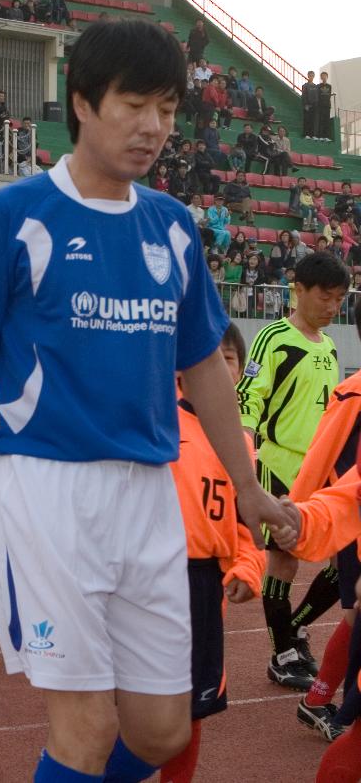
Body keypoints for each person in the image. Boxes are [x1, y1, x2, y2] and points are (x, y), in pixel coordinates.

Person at [0, 20, 296, 783]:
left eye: (169, 109)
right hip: (48, 491)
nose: (154, 127)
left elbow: (206, 368)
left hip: (149, 496)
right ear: (81, 102)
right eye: (134, 104)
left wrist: (247, 487)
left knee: (160, 732)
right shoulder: (15, 216)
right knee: (81, 729)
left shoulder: (173, 226)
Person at [156, 324, 266, 783]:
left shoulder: (241, 444)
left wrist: (247, 567)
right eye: (208, 357)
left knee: (192, 711)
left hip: (203, 585)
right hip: (150, 577)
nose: (220, 367)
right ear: (181, 368)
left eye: (229, 358)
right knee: (134, 705)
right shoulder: (155, 419)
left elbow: (247, 529)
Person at [238, 251, 350, 690]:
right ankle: (282, 654)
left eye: (339, 299)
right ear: (298, 289)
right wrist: (245, 451)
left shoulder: (331, 345)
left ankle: (296, 628)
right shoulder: (274, 337)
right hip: (281, 465)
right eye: (325, 296)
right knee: (283, 560)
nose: (332, 307)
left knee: (346, 561)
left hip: (324, 470)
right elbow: (249, 396)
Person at [316, 71, 334, 141]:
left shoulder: (329, 86)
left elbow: (329, 96)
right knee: (321, 120)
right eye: (322, 76)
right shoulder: (318, 86)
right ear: (321, 77)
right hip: (320, 106)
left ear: (327, 77)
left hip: (327, 106)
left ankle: (326, 137)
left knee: (327, 121)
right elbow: (317, 96)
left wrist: (329, 104)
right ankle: (320, 136)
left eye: (325, 76)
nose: (324, 77)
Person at [302, 71, 319, 142]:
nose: (311, 77)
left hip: (314, 106)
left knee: (313, 121)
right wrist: (305, 105)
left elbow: (317, 97)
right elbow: (304, 96)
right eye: (310, 75)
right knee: (307, 120)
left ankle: (313, 135)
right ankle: (307, 135)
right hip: (307, 105)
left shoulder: (315, 86)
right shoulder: (305, 86)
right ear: (308, 76)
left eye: (313, 75)